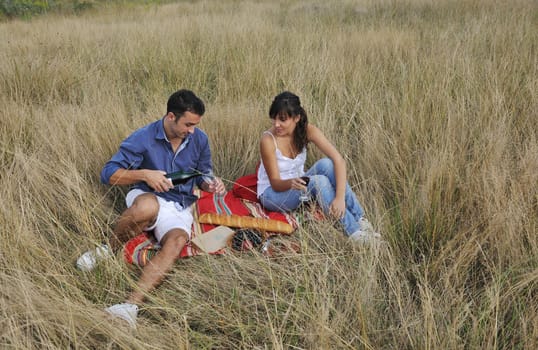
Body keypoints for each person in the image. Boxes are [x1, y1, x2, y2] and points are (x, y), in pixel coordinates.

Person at [76, 89, 226, 327]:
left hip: (181, 204)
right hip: (147, 195)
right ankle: (107, 249)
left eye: (195, 125)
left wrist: (210, 183)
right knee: (146, 207)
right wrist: (145, 174)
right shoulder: (143, 137)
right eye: (188, 124)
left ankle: (129, 306)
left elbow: (203, 173)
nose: (192, 130)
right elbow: (108, 174)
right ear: (170, 117)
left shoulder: (200, 139)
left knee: (177, 241)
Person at [257, 91, 381, 242]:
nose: (277, 124)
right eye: (274, 118)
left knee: (327, 164)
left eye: (282, 119)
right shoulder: (268, 140)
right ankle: (354, 233)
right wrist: (291, 183)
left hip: (299, 184)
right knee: (318, 181)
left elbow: (339, 160)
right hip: (272, 193)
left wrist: (340, 198)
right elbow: (275, 183)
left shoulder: (307, 130)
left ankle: (360, 219)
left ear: (297, 118)